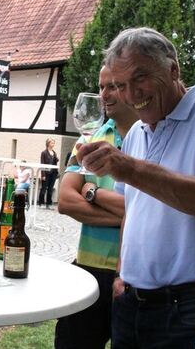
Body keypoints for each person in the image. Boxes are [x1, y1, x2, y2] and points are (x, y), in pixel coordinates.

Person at [75, 27, 195, 348]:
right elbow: (132, 212)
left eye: (140, 78)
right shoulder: (138, 131)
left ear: (173, 70)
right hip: (130, 301)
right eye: (121, 85)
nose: (131, 94)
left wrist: (130, 169)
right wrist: (122, 275)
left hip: (188, 306)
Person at [55, 65, 138, 349]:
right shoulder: (89, 138)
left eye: (114, 85)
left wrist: (92, 191)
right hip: (88, 269)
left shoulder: (155, 139)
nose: (105, 94)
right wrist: (132, 213)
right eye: (102, 87)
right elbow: (65, 201)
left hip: (133, 276)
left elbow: (155, 207)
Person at [37, 138, 59, 209]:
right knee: (43, 188)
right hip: (46, 173)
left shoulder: (54, 152)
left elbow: (55, 163)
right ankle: (41, 203)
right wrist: (43, 175)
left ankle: (48, 203)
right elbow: (42, 164)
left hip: (53, 173)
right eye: (52, 143)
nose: (53, 144)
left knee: (50, 188)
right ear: (48, 143)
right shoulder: (44, 153)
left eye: (53, 143)